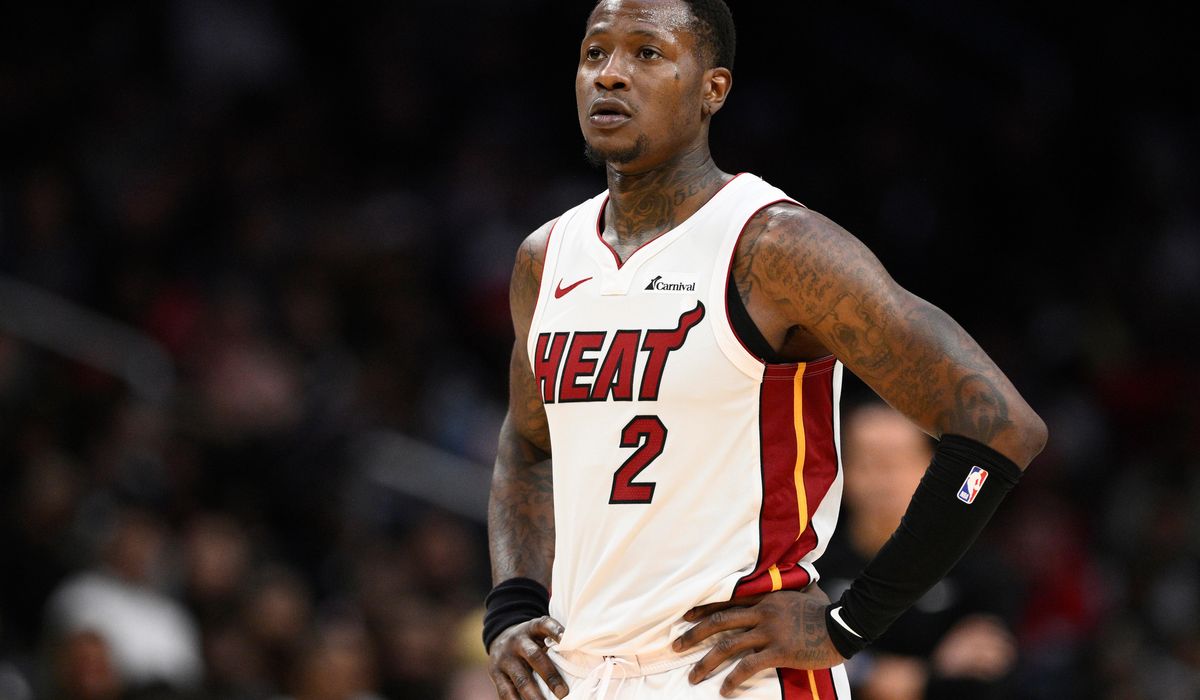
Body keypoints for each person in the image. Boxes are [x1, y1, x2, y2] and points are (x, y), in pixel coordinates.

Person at [484, 1, 1047, 698]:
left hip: (735, 674)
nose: (611, 75)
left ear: (712, 89)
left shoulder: (773, 247)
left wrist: (850, 622)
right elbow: (528, 442)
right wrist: (511, 606)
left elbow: (998, 427)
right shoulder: (546, 258)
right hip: (579, 671)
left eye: (647, 53)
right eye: (594, 53)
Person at [820, 402, 1019, 699]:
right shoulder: (812, 562)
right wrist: (927, 672)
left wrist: (853, 668)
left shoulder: (977, 567)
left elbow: (986, 665)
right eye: (867, 463)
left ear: (933, 467)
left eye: (896, 463)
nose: (882, 481)